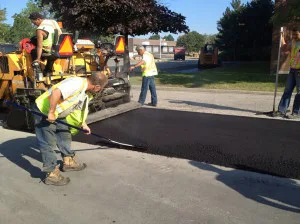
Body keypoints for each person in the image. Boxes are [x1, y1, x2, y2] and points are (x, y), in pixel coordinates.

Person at [33, 72, 108, 186]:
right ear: (97, 87)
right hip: (44, 111)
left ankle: (68, 162)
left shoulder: (84, 92)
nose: (99, 91)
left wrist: (83, 124)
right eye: (100, 89)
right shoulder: (76, 83)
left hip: (59, 114)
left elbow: (76, 109)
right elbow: (56, 92)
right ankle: (51, 173)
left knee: (64, 134)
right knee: (48, 142)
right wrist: (51, 112)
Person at [274, 27, 300, 119]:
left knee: (299, 92)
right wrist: (281, 36)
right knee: (287, 91)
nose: (294, 36)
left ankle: (296, 112)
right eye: (293, 34)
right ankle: (282, 110)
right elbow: (284, 47)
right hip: (292, 70)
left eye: (296, 34)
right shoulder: (293, 42)